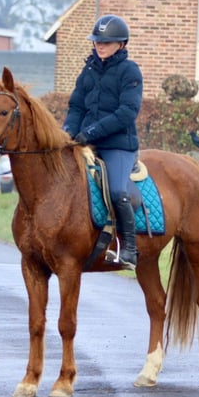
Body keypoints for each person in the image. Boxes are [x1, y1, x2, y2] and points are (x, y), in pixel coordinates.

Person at [63, 14, 143, 269]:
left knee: (117, 191)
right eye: (97, 41)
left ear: (121, 44)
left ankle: (129, 249)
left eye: (106, 42)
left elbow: (127, 112)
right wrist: (67, 132)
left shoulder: (130, 71)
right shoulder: (88, 70)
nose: (100, 45)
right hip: (86, 141)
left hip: (117, 145)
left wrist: (92, 132)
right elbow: (76, 106)